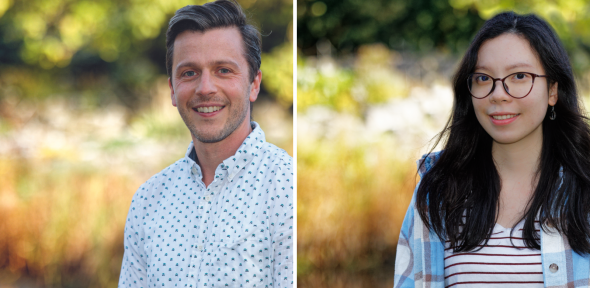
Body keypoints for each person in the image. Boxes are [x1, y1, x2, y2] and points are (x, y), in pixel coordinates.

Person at [394, 12, 590, 288]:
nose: (498, 94)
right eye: (484, 78)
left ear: (553, 91)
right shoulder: (436, 192)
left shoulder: (584, 188)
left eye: (519, 76)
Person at [117, 1, 293, 287]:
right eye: (189, 73)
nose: (205, 88)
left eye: (223, 70)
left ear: (254, 84)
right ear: (173, 90)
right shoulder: (148, 200)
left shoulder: (286, 187)